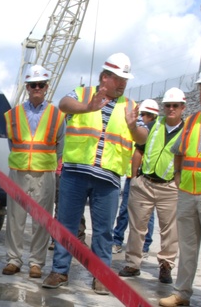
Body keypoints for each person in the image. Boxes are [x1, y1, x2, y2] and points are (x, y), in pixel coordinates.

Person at [42, 52, 148, 295]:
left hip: (108, 179)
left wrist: (133, 126)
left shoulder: (131, 107)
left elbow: (143, 136)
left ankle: (101, 275)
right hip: (75, 173)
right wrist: (86, 107)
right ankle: (59, 270)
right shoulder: (81, 94)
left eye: (125, 79)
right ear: (104, 77)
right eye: (119, 78)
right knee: (66, 225)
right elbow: (63, 104)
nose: (123, 83)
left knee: (103, 230)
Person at [160, 65, 201, 307]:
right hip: (187, 192)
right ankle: (182, 294)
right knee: (187, 248)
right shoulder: (193, 120)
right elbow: (178, 151)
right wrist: (177, 174)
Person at [1, 65, 65, 278]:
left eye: (41, 84)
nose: (37, 88)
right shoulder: (14, 114)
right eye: (32, 85)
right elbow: (13, 143)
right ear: (27, 87)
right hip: (18, 171)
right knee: (14, 218)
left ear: (47, 87)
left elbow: (60, 145)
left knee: (42, 220)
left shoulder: (57, 115)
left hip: (44, 173)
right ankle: (13, 259)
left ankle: (36, 263)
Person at [118, 87, 186, 285]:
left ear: (183, 107)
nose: (171, 109)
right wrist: (134, 176)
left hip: (169, 186)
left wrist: (179, 181)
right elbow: (139, 149)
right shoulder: (154, 126)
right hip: (145, 183)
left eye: (175, 106)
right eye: (168, 105)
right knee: (137, 226)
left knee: (169, 230)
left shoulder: (187, 130)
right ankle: (133, 263)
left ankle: (165, 265)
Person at [112, 99, 159, 255]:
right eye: (142, 114)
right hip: (131, 175)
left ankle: (144, 245)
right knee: (124, 210)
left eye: (146, 115)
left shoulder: (154, 133)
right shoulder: (135, 128)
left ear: (153, 116)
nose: (143, 118)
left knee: (147, 215)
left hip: (144, 177)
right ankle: (117, 240)